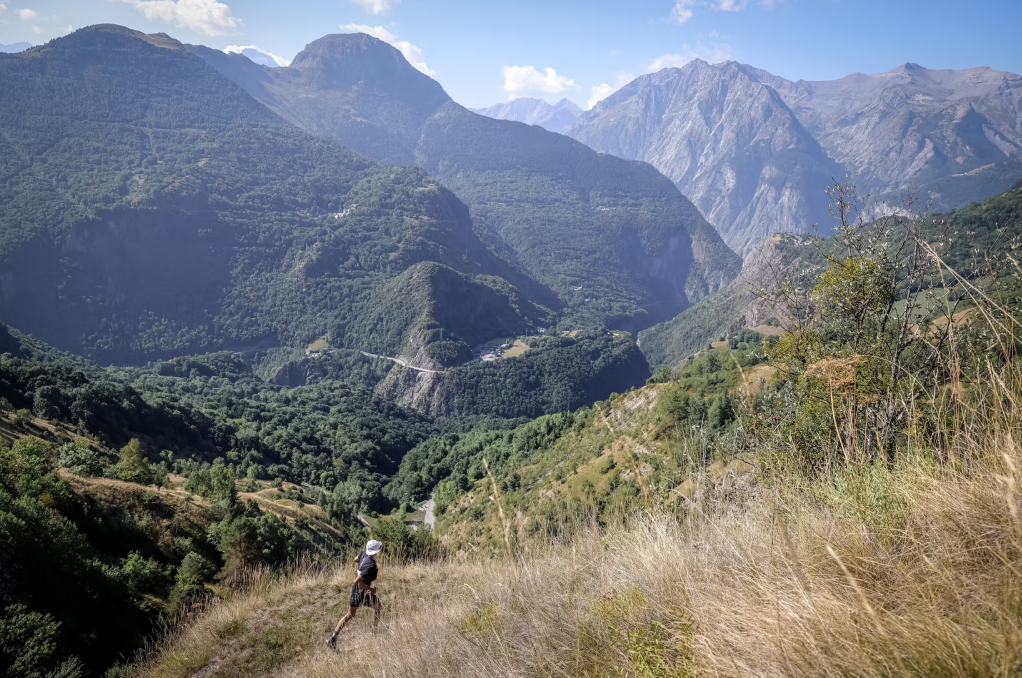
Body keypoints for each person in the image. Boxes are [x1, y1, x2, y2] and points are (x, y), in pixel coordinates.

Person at [326, 539, 383, 648]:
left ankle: (333, 638)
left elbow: (355, 559)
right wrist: (371, 590)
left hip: (355, 591)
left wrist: (361, 566)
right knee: (377, 606)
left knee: (350, 615)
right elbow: (357, 581)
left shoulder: (363, 554)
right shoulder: (370, 565)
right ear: (375, 552)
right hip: (362, 592)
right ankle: (374, 632)